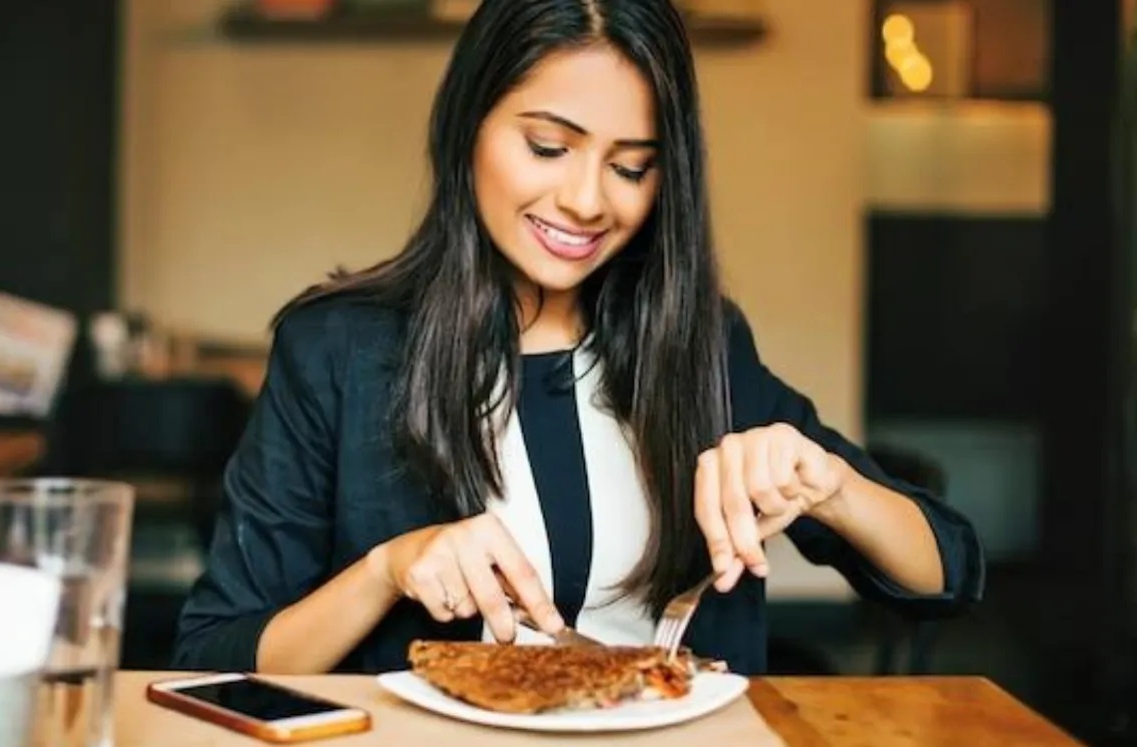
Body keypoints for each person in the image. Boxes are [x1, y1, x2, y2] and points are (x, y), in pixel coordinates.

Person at [172, 0, 984, 676]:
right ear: (469, 128)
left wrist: (830, 483)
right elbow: (214, 655)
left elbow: (947, 570)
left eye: (632, 167)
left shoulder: (696, 344)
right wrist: (386, 571)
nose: (588, 201)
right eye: (549, 148)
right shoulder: (338, 352)